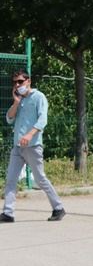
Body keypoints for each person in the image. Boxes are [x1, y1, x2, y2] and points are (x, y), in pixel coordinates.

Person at [1, 69, 65, 223]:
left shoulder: (39, 97)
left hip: (33, 146)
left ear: (28, 81)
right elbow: (9, 119)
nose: (17, 85)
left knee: (40, 178)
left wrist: (29, 135)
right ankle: (8, 213)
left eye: (20, 81)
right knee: (10, 179)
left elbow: (43, 120)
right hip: (18, 147)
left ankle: (58, 208)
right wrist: (16, 102)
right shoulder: (20, 99)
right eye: (15, 82)